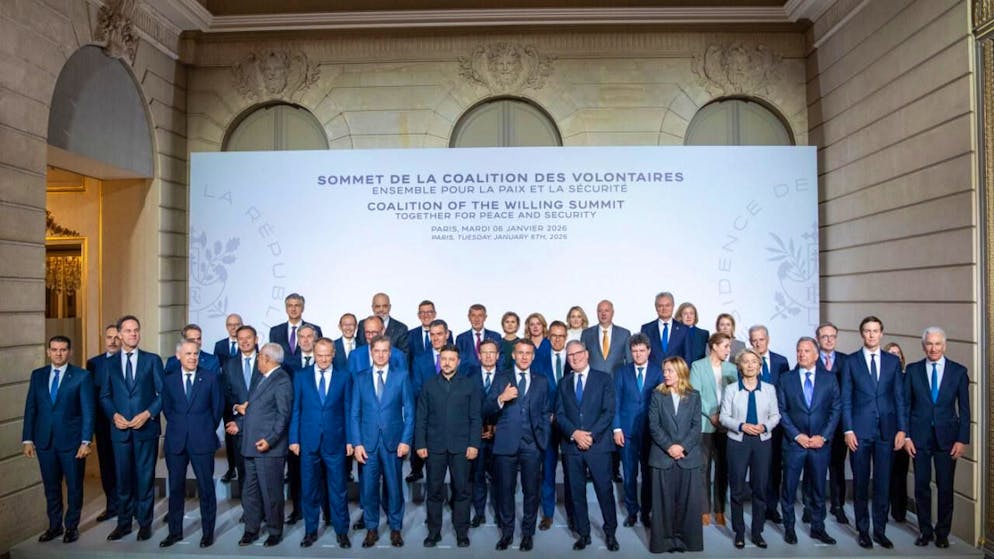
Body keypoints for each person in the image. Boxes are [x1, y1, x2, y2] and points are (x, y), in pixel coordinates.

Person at [841, 316, 906, 549]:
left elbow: (899, 398)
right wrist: (848, 429)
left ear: (881, 333)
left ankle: (880, 530)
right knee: (860, 483)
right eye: (867, 331)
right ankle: (863, 531)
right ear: (862, 334)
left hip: (887, 431)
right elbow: (845, 398)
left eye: (875, 331)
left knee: (882, 483)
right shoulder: (850, 362)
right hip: (859, 430)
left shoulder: (891, 362)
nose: (871, 335)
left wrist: (902, 430)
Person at [23, 335, 93, 544]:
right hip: (44, 441)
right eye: (54, 349)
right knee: (51, 487)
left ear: (69, 352)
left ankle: (71, 527)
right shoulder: (37, 376)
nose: (58, 353)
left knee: (74, 486)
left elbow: (88, 411)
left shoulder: (81, 376)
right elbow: (31, 408)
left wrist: (86, 441)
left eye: (63, 350)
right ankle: (54, 526)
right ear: (48, 352)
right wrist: (27, 439)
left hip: (72, 443)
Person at [100, 315, 164, 542]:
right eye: (128, 331)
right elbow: (105, 396)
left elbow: (162, 394)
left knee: (145, 479)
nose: (133, 334)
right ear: (119, 334)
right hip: (120, 431)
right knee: (123, 480)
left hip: (146, 430)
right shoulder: (109, 363)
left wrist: (147, 414)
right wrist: (114, 415)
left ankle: (145, 524)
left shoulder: (152, 360)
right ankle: (124, 524)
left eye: (136, 330)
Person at [905, 327, 970, 549]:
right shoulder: (913, 371)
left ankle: (942, 532)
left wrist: (962, 440)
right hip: (919, 438)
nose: (934, 348)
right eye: (929, 344)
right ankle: (925, 531)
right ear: (924, 346)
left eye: (938, 344)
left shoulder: (958, 372)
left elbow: (965, 409)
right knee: (921, 486)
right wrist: (906, 437)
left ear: (945, 345)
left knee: (945, 487)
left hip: (948, 440)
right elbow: (905, 406)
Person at [485, 338, 551, 551]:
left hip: (532, 444)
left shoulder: (541, 380)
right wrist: (501, 398)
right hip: (506, 443)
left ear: (533, 356)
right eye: (520, 352)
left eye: (528, 353)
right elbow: (485, 409)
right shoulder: (501, 377)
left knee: (532, 491)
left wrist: (543, 437)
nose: (524, 356)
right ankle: (506, 533)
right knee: (505, 490)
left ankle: (527, 534)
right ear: (513, 355)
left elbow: (545, 411)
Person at [288, 337, 353, 549]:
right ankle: (310, 531)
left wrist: (351, 440)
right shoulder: (301, 376)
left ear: (333, 354)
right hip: (308, 442)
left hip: (336, 441)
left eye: (327, 355)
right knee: (309, 489)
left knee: (338, 488)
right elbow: (296, 409)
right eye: (320, 355)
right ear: (313, 354)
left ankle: (342, 531)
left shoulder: (344, 377)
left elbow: (348, 410)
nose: (323, 359)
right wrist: (294, 438)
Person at [350, 336, 414, 548]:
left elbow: (410, 412)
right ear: (371, 352)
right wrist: (357, 443)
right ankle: (371, 529)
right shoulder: (360, 378)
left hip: (393, 443)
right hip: (367, 445)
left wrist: (405, 440)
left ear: (390, 352)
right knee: (368, 489)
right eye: (376, 350)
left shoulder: (401, 376)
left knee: (394, 488)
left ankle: (396, 529)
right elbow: (355, 414)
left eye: (384, 351)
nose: (380, 354)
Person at [416, 344, 481, 548]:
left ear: (458, 362)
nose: (447, 362)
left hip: (462, 447)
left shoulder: (469, 385)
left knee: (461, 491)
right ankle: (433, 533)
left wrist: (473, 444)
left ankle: (462, 532)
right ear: (439, 361)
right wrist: (420, 443)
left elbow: (475, 418)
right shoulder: (428, 385)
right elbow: (421, 418)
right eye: (443, 359)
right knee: (434, 491)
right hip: (434, 447)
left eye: (451, 359)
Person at [159, 340, 223, 549]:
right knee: (176, 489)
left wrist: (202, 428)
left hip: (202, 440)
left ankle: (207, 533)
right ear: (178, 356)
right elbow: (167, 410)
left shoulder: (211, 378)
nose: (193, 357)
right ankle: (174, 532)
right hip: (176, 441)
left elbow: (217, 409)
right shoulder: (168, 380)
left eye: (195, 354)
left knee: (206, 489)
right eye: (188, 354)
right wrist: (183, 426)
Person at [777, 337, 840, 546]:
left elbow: (835, 409)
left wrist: (823, 436)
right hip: (794, 444)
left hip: (820, 445)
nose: (801, 354)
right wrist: (797, 435)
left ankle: (817, 528)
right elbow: (781, 411)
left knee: (819, 489)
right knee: (789, 488)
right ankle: (789, 528)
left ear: (815, 355)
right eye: (799, 351)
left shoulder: (829, 379)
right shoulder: (786, 379)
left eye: (806, 351)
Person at [557, 340, 619, 551]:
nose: (575, 358)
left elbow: (608, 411)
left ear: (587, 354)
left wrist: (590, 435)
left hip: (598, 445)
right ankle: (583, 534)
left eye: (578, 353)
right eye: (570, 355)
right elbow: (560, 414)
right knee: (576, 492)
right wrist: (574, 433)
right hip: (571, 446)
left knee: (604, 490)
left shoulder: (604, 379)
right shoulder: (563, 383)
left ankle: (610, 533)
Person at [720, 348, 780, 549]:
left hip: (762, 441)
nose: (750, 365)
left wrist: (765, 426)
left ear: (760, 366)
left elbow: (775, 415)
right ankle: (739, 532)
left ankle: (757, 532)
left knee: (760, 488)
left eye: (754, 362)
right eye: (745, 361)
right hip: (738, 441)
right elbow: (723, 417)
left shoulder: (769, 389)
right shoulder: (731, 389)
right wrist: (741, 426)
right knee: (736, 488)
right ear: (740, 366)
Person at [237, 343, 293, 548]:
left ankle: (275, 531)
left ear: (268, 358)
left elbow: (283, 415)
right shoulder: (262, 378)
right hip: (251, 445)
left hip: (268, 448)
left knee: (271, 492)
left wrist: (270, 440)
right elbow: (254, 410)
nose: (257, 360)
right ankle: (251, 530)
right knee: (249, 491)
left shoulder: (282, 380)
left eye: (260, 357)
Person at [648, 356, 704, 553]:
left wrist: (683, 447)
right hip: (662, 457)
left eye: (670, 370)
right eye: (664, 370)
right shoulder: (657, 395)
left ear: (681, 372)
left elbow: (697, 426)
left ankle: (685, 541)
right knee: (663, 503)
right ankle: (664, 542)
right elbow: (653, 425)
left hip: (688, 457)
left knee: (688, 503)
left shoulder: (694, 395)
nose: (665, 374)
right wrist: (670, 447)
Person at [688, 332, 737, 526]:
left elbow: (735, 396)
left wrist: (724, 416)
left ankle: (719, 509)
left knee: (723, 469)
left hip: (726, 427)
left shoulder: (732, 368)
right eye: (725, 346)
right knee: (703, 468)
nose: (728, 350)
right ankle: (703, 510)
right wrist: (712, 414)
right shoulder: (698, 366)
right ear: (714, 346)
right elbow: (695, 394)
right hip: (705, 425)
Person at [614, 333, 662, 527]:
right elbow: (615, 401)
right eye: (634, 351)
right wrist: (616, 428)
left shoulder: (658, 372)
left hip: (651, 432)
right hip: (627, 432)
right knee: (629, 473)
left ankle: (646, 512)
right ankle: (632, 511)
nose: (638, 354)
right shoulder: (621, 372)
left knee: (648, 474)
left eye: (642, 350)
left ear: (649, 351)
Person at [748, 324, 790, 523]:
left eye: (761, 339)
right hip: (753, 425)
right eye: (754, 340)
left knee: (774, 467)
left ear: (768, 339)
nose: (757, 343)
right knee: (757, 468)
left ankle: (772, 507)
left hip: (776, 425)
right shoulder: (746, 362)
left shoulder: (781, 362)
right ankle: (759, 506)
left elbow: (786, 393)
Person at [534, 321, 574, 530]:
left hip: (569, 422)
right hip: (547, 422)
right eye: (554, 336)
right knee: (548, 469)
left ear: (566, 336)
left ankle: (572, 513)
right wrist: (546, 414)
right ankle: (548, 514)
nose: (557, 339)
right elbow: (536, 390)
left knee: (571, 470)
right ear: (549, 336)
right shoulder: (539, 359)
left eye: (561, 336)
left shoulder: (574, 359)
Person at [409, 318, 454, 482]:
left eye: (439, 334)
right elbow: (416, 388)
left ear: (447, 335)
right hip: (429, 417)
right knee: (434, 475)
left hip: (454, 420)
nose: (435, 338)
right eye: (432, 335)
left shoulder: (457, 357)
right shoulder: (420, 359)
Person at [284, 323, 320, 524]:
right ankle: (298, 510)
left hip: (320, 427)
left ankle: (327, 512)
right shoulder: (288, 364)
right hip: (297, 426)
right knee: (296, 473)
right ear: (297, 339)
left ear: (315, 339)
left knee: (321, 473)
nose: (306, 340)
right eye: (302, 337)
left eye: (309, 336)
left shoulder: (326, 360)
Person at [815, 321, 850, 524]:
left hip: (838, 425)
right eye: (824, 336)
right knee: (814, 467)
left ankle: (838, 506)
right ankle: (812, 507)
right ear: (818, 339)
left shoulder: (847, 361)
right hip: (816, 423)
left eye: (832, 336)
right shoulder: (810, 359)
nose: (828, 340)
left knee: (837, 467)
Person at [85, 324, 120, 522]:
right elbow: (90, 397)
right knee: (106, 466)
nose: (113, 341)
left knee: (125, 465)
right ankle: (112, 506)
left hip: (126, 422)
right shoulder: (93, 364)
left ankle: (129, 506)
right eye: (109, 337)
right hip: (103, 424)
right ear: (104, 339)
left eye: (116, 337)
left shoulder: (128, 361)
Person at [466, 338, 500, 527]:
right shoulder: (469, 376)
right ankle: (479, 513)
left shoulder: (506, 377)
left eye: (491, 352)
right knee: (477, 476)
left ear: (497, 356)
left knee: (498, 476)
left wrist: (494, 429)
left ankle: (498, 510)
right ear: (479, 355)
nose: (488, 356)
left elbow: (509, 409)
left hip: (498, 436)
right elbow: (466, 407)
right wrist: (478, 429)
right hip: (476, 435)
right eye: (484, 352)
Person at [222, 325, 260, 489]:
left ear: (256, 339)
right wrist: (237, 406)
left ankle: (265, 513)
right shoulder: (229, 365)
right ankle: (249, 513)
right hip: (239, 426)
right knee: (243, 473)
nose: (244, 342)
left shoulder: (265, 361)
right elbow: (226, 393)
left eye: (248, 337)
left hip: (262, 426)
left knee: (262, 474)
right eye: (241, 339)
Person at [214, 314, 244, 483]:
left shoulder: (249, 343)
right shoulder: (220, 346)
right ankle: (231, 468)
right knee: (230, 435)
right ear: (226, 327)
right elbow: (217, 372)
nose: (234, 327)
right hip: (227, 398)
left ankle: (243, 469)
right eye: (230, 325)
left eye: (237, 324)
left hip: (244, 399)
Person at [883, 341, 909, 523]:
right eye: (890, 353)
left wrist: (905, 432)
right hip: (886, 430)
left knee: (901, 473)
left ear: (902, 358)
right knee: (885, 472)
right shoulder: (882, 377)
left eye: (897, 353)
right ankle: (882, 510)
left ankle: (899, 511)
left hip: (904, 432)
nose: (895, 356)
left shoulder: (909, 377)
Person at [640, 291, 691, 367]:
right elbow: (642, 356)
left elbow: (687, 357)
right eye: (660, 306)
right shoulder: (646, 329)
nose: (664, 309)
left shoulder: (684, 330)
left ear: (673, 306)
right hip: (653, 376)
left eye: (667, 305)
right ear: (656, 307)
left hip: (676, 375)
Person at [581, 299, 631, 375]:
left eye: (607, 310)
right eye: (600, 311)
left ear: (613, 313)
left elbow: (629, 361)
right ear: (597, 313)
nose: (603, 314)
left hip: (616, 381)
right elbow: (582, 359)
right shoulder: (587, 334)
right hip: (593, 381)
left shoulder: (624, 334)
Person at [269, 293, 323, 360]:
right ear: (286, 309)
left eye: (297, 305)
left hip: (306, 368)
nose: (293, 309)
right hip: (282, 370)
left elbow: (320, 353)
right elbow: (272, 356)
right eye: (290, 306)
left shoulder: (316, 329)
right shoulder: (275, 331)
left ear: (302, 308)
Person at [456, 303, 503, 368]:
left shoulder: (496, 336)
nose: (476, 319)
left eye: (480, 315)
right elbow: (458, 361)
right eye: (473, 315)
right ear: (469, 317)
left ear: (485, 317)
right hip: (467, 377)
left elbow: (500, 360)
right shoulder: (461, 339)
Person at [407, 300, 451, 368]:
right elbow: (408, 359)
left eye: (429, 312)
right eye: (422, 312)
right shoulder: (410, 334)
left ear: (435, 314)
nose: (426, 315)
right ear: (418, 315)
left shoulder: (446, 333)